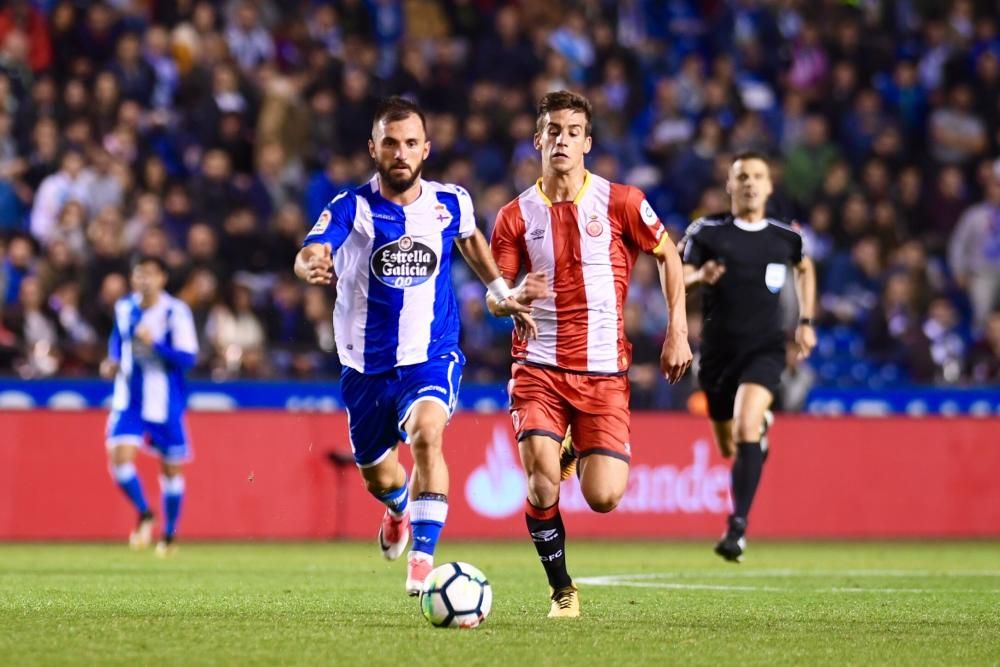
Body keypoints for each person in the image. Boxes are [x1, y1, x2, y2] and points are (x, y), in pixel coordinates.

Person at [294, 96, 543, 595]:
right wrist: (310, 264)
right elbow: (313, 248)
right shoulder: (352, 207)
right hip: (365, 365)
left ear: (426, 149)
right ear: (373, 148)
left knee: (427, 435)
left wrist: (501, 291)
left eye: (410, 143)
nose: (401, 153)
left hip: (431, 353)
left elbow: (470, 238)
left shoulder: (450, 202)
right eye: (390, 143)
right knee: (380, 477)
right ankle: (398, 510)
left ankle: (423, 564)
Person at [489, 90, 692, 618]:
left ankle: (573, 449)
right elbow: (494, 294)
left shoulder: (621, 201)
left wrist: (677, 331)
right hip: (538, 365)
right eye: (554, 130)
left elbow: (669, 255)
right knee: (539, 478)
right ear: (538, 139)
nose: (562, 140)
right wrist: (513, 298)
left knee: (604, 497)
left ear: (588, 143)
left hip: (603, 372)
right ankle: (562, 590)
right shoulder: (514, 216)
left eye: (573, 132)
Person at [679, 151, 817, 563]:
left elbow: (805, 269)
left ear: (769, 186)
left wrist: (806, 321)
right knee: (729, 446)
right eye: (742, 176)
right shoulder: (706, 232)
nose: (750, 183)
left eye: (758, 176)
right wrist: (699, 276)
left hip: (765, 350)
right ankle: (759, 430)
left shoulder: (785, 236)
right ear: (729, 185)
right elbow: (678, 276)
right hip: (717, 355)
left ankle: (737, 527)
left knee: (745, 428)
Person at [100, 255, 198, 557]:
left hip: (164, 399)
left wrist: (156, 344)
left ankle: (169, 534)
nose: (144, 280)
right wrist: (113, 360)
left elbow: (188, 358)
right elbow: (117, 339)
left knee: (171, 470)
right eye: (139, 274)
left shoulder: (175, 312)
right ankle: (144, 512)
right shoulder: (124, 307)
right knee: (119, 458)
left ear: (162, 278)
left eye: (150, 274)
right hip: (129, 397)